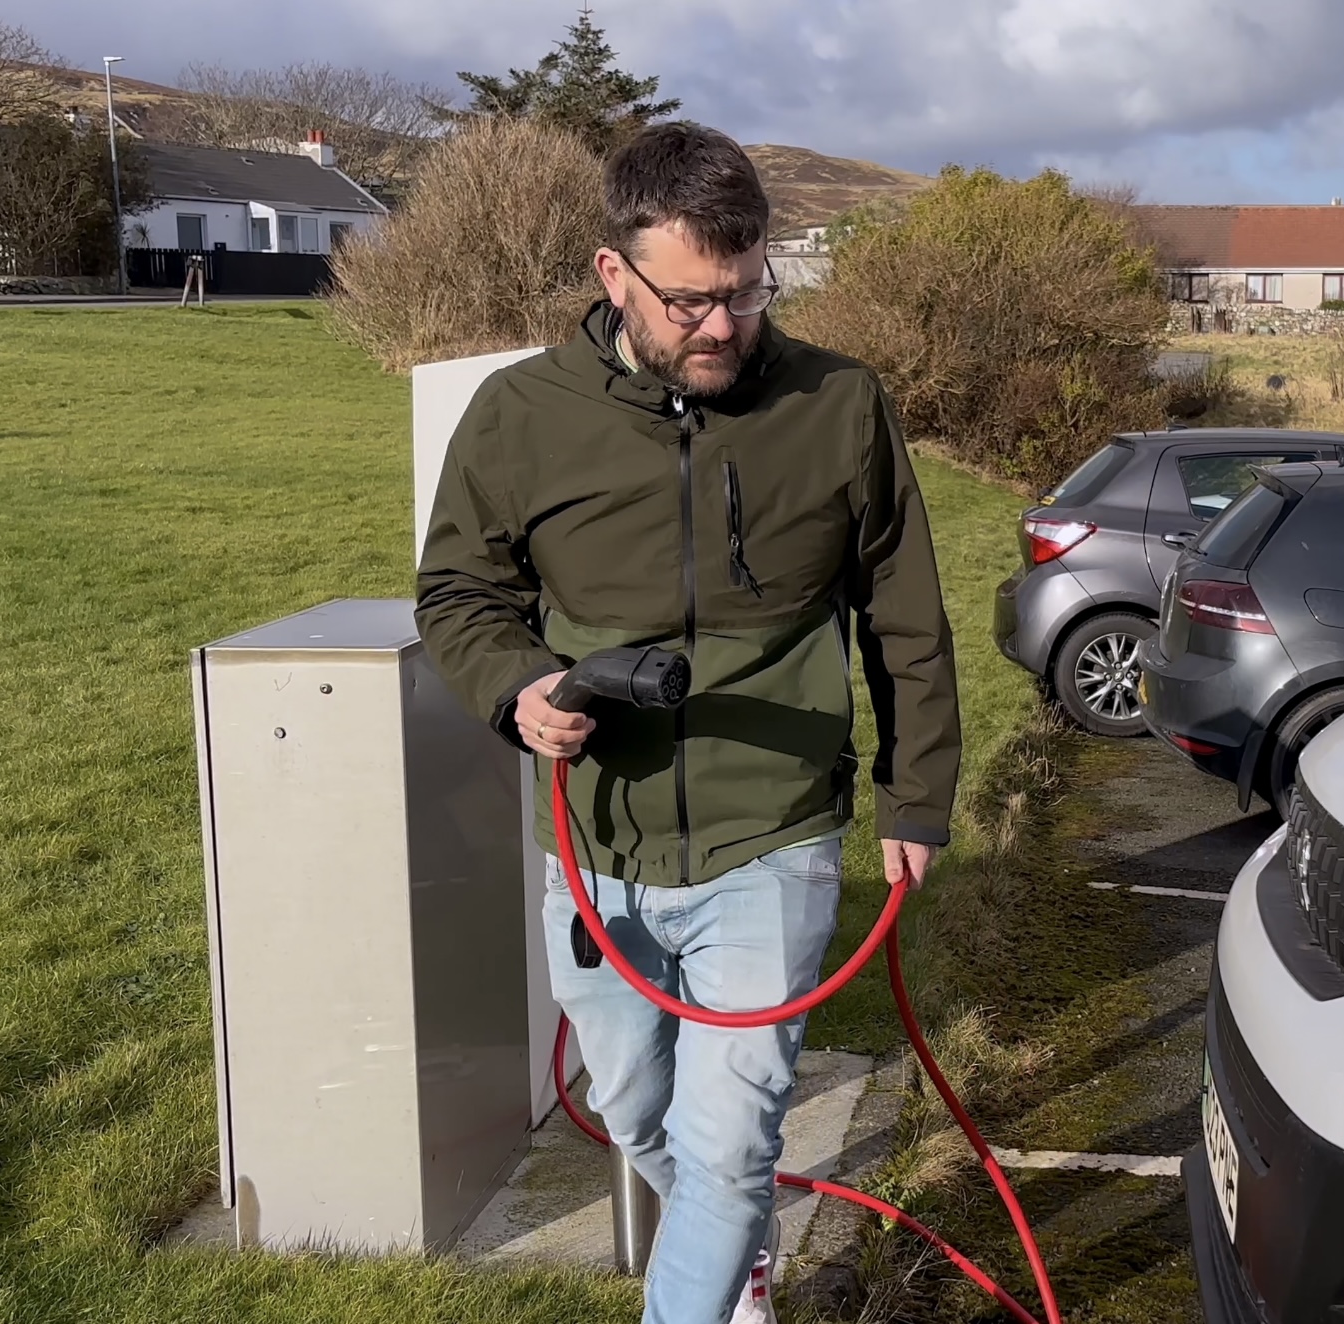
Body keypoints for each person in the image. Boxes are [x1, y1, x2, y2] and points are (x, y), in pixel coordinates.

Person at [415, 122, 960, 1324]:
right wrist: (518, 689)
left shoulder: (841, 407)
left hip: (772, 836)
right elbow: (459, 592)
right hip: (595, 849)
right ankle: (737, 1247)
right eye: (691, 300)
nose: (722, 324)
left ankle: (711, 1277)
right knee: (638, 1115)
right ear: (615, 275)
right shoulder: (521, 416)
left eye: (747, 290)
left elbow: (907, 620)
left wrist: (916, 793)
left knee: (726, 1148)